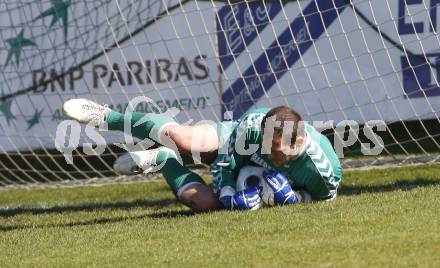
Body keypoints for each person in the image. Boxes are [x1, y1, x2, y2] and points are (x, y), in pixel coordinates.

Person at [62, 99, 342, 212]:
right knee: (185, 138)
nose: (274, 156)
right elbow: (224, 164)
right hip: (230, 146)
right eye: (270, 149)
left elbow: (325, 198)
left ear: (301, 139)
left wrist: (295, 199)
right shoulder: (251, 127)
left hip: (268, 194)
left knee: (199, 202)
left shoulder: (322, 167)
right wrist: (230, 194)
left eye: (282, 151)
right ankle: (108, 116)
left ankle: (163, 160)